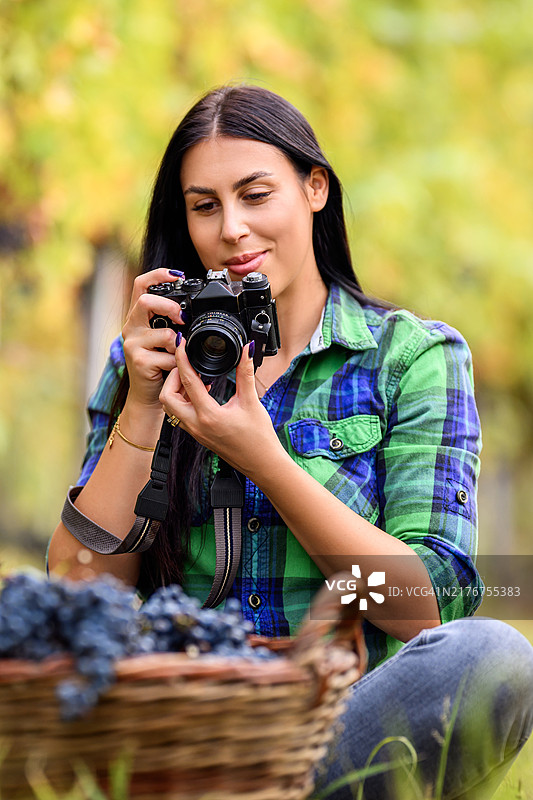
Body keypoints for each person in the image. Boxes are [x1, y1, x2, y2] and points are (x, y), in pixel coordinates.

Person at [48, 84, 533, 798]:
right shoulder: (147, 360)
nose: (232, 229)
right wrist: (144, 408)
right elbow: (78, 589)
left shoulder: (408, 357)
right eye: (205, 206)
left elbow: (427, 601)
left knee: (493, 654)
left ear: (314, 187)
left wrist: (263, 461)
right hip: (178, 733)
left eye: (255, 194)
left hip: (337, 730)